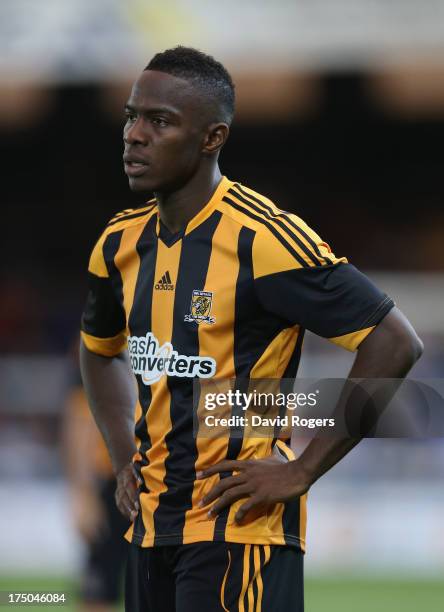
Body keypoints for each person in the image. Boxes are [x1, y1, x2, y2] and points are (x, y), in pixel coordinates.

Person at [79, 46, 423, 611]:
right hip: (147, 533)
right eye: (131, 116)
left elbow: (394, 342)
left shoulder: (264, 240)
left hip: (239, 532)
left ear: (213, 138)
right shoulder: (117, 243)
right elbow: (98, 352)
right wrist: (122, 461)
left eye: (159, 121)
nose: (134, 135)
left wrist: (303, 470)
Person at [63, 347, 129, 611]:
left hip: (163, 480)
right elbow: (79, 419)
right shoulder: (105, 334)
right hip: (112, 482)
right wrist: (82, 493)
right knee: (98, 590)